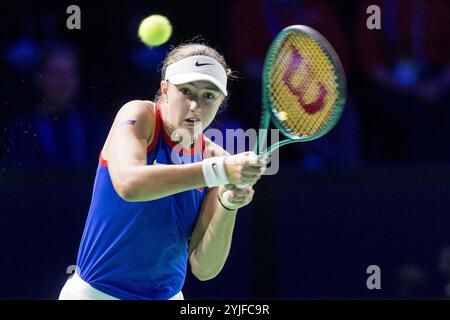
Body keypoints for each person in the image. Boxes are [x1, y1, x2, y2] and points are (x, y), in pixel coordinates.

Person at [58, 42, 266, 300]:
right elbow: (130, 185)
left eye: (209, 96)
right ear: (165, 89)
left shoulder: (217, 162)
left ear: (221, 102)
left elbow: (205, 268)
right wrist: (219, 170)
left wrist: (228, 203)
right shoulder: (139, 115)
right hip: (96, 294)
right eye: (186, 91)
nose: (195, 106)